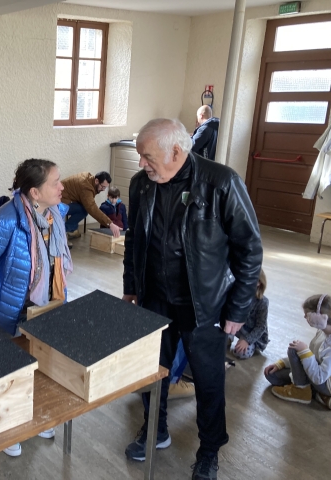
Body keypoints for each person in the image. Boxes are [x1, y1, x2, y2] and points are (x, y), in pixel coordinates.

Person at [122, 118, 262, 480]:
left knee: (209, 381)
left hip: (206, 306)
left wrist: (238, 309)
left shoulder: (221, 182)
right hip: (155, 300)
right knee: (151, 374)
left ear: (175, 152)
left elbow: (249, 250)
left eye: (146, 156)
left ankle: (209, 450)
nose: (141, 164)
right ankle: (155, 430)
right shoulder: (142, 186)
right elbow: (134, 240)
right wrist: (131, 287)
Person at [0, 158, 73, 457]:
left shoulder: (56, 216)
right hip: (8, 311)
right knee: (8, 373)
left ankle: (36, 419)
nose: (62, 186)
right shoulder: (6, 220)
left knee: (41, 367)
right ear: (34, 192)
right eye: (55, 182)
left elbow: (55, 265)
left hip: (46, 308)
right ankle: (8, 429)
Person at [265, 294, 331, 409]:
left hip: (324, 382)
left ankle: (302, 392)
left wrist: (304, 352)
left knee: (293, 350)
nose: (305, 317)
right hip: (315, 372)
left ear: (319, 317)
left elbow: (319, 377)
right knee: (273, 376)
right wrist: (282, 363)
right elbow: (312, 357)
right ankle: (318, 395)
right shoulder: (322, 332)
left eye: (307, 314)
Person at [61, 171, 121, 238]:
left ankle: (71, 230)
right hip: (59, 203)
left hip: (66, 199)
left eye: (105, 187)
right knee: (84, 210)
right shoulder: (86, 187)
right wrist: (110, 224)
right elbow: (92, 208)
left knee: (84, 207)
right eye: (103, 187)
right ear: (96, 181)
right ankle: (63, 233)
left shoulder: (89, 178)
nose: (103, 190)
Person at [230, 268, 269, 359]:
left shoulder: (263, 302)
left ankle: (252, 345)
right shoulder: (237, 295)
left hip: (251, 332)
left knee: (240, 353)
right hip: (237, 327)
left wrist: (247, 340)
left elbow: (261, 327)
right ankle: (229, 338)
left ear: (259, 283)